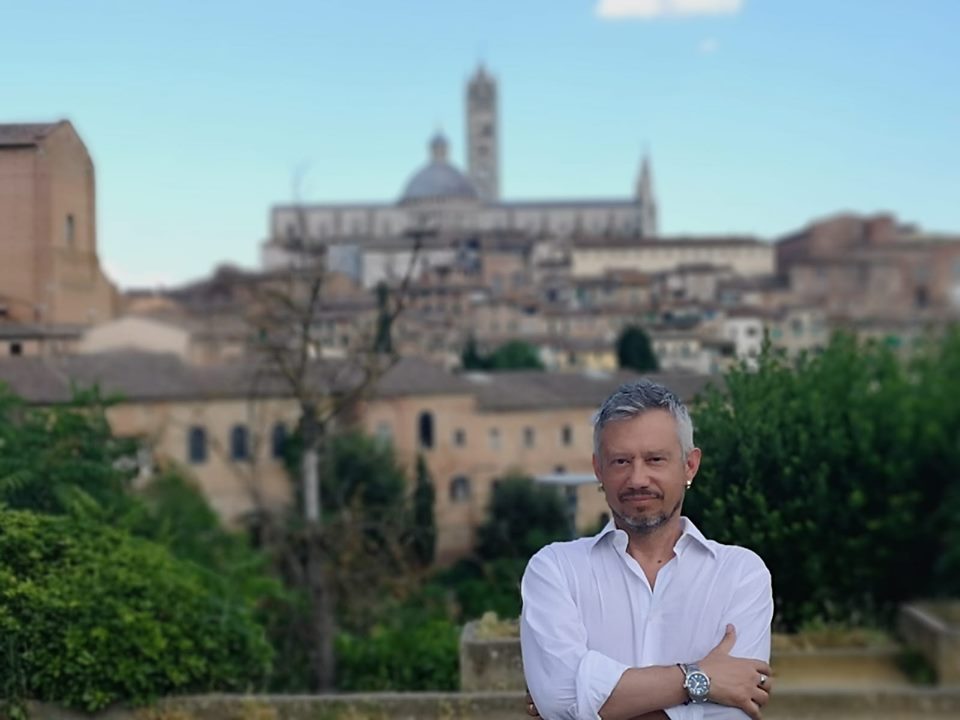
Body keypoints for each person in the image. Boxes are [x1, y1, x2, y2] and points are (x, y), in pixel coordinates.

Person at [520, 380, 774, 720]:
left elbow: (733, 715)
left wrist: (591, 705)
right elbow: (558, 699)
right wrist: (701, 679)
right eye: (621, 461)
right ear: (599, 470)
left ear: (690, 466)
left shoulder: (741, 574)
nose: (638, 479)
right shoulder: (554, 570)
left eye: (655, 459)